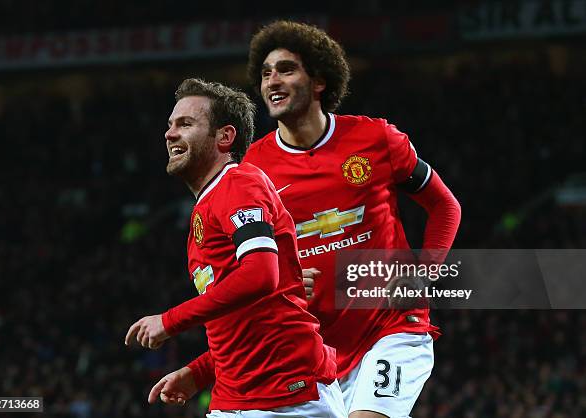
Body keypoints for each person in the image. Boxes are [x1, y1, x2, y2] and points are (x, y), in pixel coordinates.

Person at [159, 21, 461, 418]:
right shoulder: (253, 170)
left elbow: (445, 206)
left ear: (319, 80)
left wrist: (423, 273)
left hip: (392, 330)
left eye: (286, 69)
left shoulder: (376, 140)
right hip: (318, 351)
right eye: (265, 73)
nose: (272, 80)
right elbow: (254, 299)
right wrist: (202, 371)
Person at [124, 78, 346, 417]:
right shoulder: (209, 205)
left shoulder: (240, 184)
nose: (169, 134)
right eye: (170, 125)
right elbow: (247, 317)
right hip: (236, 398)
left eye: (185, 124)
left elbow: (260, 274)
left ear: (225, 137)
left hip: (288, 398)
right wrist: (199, 372)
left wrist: (170, 321)